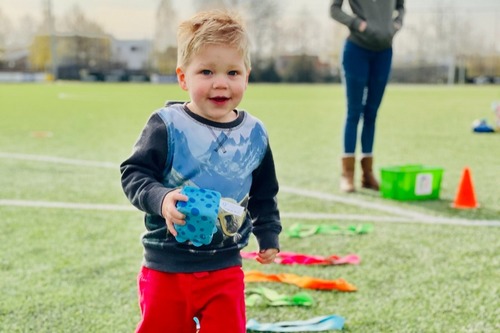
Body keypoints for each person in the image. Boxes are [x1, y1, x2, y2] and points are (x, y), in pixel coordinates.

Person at [120, 10, 281, 333]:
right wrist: (162, 198)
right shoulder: (167, 125)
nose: (220, 83)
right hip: (167, 263)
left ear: (246, 76)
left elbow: (264, 192)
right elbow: (133, 173)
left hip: (225, 264)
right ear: (183, 77)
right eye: (206, 71)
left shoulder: (254, 133)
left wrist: (268, 234)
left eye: (233, 72)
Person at [330, 0, 405, 192]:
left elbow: (401, 6)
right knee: (354, 112)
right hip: (356, 50)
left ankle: (367, 174)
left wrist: (395, 25)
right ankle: (347, 175)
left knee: (372, 113)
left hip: (384, 53)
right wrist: (358, 24)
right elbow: (334, 9)